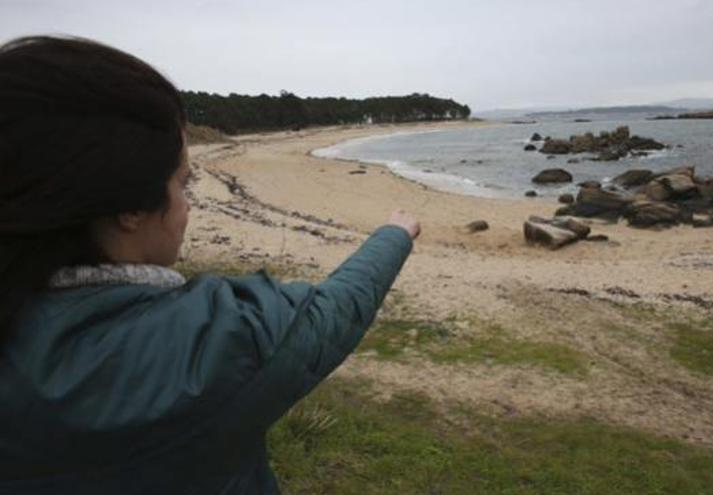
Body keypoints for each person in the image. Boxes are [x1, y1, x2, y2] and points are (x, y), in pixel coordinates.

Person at [0, 35, 420, 494]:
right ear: (130, 210)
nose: (186, 208)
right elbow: (332, 313)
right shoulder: (215, 344)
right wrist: (395, 233)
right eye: (183, 184)